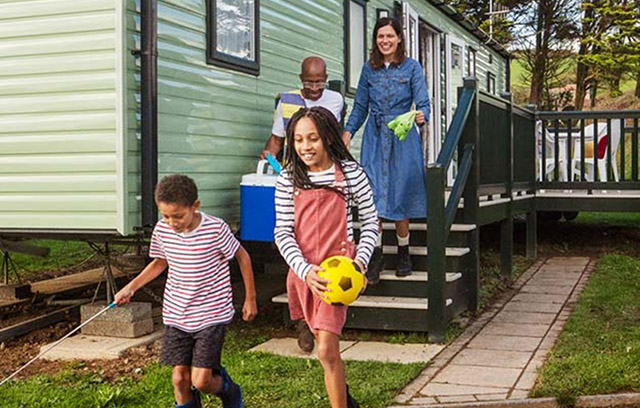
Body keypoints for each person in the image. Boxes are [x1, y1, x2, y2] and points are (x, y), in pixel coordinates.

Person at [114, 174, 257, 408]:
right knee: (179, 379)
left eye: (178, 216)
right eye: (166, 216)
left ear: (195, 206)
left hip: (211, 314)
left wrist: (250, 299)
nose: (172, 222)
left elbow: (242, 256)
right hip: (176, 314)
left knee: (201, 381)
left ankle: (230, 392)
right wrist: (131, 287)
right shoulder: (162, 230)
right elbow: (160, 262)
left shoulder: (215, 229)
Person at [274, 107, 378, 408]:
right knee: (325, 351)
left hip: (338, 275)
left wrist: (360, 262)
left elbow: (371, 221)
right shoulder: (288, 179)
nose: (305, 147)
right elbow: (282, 232)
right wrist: (304, 270)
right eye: (298, 140)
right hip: (305, 273)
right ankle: (348, 401)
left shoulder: (349, 174)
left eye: (313, 139)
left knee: (326, 350)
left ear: (328, 138)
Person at [342, 17, 431, 283]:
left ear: (399, 38)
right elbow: (360, 106)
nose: (385, 41)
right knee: (374, 195)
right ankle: (376, 254)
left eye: (389, 36)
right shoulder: (369, 70)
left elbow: (424, 102)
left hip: (402, 136)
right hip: (375, 135)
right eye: (380, 37)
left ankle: (404, 252)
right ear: (375, 40)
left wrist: (421, 116)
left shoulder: (412, 68)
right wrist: (347, 132)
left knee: (400, 193)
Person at [260, 56, 344, 161]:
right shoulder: (287, 101)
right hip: (294, 167)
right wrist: (269, 154)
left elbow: (336, 136)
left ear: (326, 78)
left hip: (325, 167)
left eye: (319, 82)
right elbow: (277, 139)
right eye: (308, 83)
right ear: (301, 78)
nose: (314, 88)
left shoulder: (336, 100)